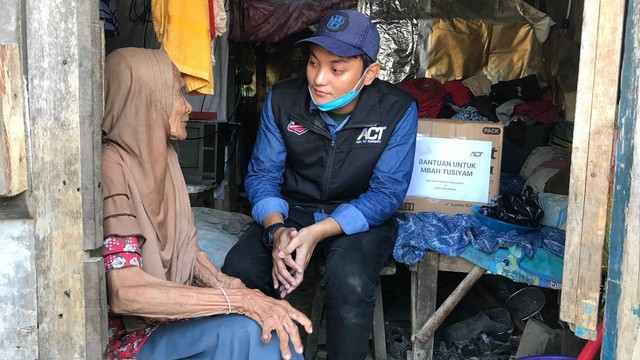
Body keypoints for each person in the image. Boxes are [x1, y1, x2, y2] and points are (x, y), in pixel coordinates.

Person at [222, 9, 418, 360]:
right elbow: (263, 176)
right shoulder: (282, 100)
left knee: (351, 283)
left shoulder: (396, 110)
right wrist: (277, 231)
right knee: (241, 270)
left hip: (358, 217)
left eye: (337, 69)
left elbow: (387, 193)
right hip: (293, 210)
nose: (319, 79)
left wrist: (317, 233)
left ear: (369, 73)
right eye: (313, 64)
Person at [101, 47, 312, 360]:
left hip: (165, 322)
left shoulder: (166, 159)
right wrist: (237, 300)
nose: (188, 106)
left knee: (267, 326)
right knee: (251, 332)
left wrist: (230, 285)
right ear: (146, 97)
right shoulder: (110, 166)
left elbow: (188, 251)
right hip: (128, 337)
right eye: (177, 93)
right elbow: (125, 291)